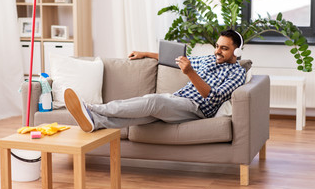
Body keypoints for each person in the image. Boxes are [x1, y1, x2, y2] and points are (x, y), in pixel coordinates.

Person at [64, 29, 246, 132]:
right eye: (216, 46)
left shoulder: (237, 73)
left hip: (197, 110)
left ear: (236, 51)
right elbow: (175, 59)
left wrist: (190, 72)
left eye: (224, 48)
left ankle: (94, 108)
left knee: (153, 100)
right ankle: (95, 122)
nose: (217, 51)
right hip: (178, 101)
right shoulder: (208, 59)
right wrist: (145, 53)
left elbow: (212, 97)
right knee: (147, 114)